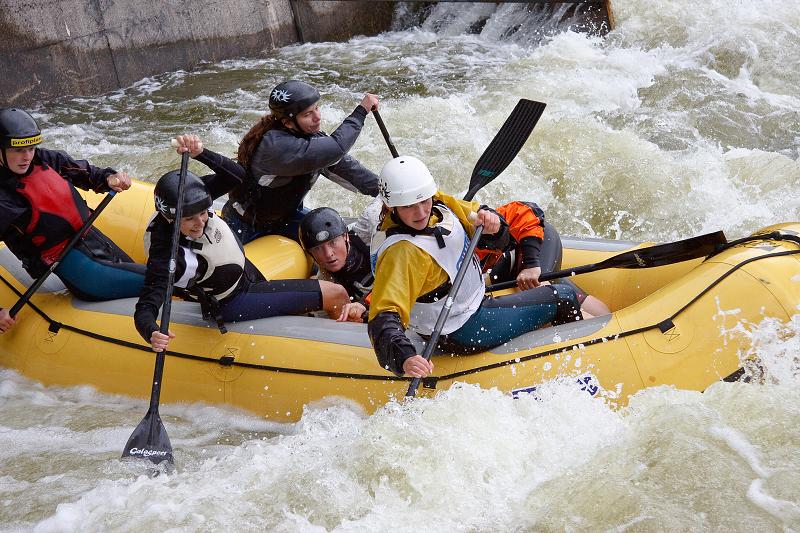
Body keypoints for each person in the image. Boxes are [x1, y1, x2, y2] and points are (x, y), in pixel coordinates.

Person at [367, 156, 583, 378]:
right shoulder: (402, 253)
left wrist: (493, 224)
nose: (421, 212)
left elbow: (476, 219)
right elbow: (384, 315)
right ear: (390, 206)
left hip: (470, 300)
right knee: (564, 297)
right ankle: (580, 365)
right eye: (410, 206)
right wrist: (405, 358)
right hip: (461, 329)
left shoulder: (438, 205)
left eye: (423, 201)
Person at [134, 135, 349, 352]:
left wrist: (202, 153)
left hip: (247, 271)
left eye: (203, 213)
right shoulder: (166, 254)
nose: (200, 223)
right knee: (336, 293)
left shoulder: (191, 198)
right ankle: (347, 354)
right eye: (190, 219)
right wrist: (150, 331)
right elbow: (147, 304)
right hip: (234, 300)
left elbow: (237, 176)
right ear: (170, 218)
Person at [0, 107, 145, 334]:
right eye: (17, 150)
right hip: (75, 267)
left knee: (157, 277)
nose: (26, 156)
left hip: (96, 242)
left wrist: (109, 178)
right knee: (160, 281)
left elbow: (85, 172)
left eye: (30, 148)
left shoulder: (45, 160)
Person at [222, 80, 381, 244]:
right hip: (246, 226)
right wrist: (362, 110)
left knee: (334, 239)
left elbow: (349, 170)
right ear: (288, 122)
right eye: (307, 114)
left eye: (317, 108)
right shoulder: (276, 148)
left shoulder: (309, 139)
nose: (317, 117)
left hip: (285, 219)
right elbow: (338, 147)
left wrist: (387, 191)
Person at [477, 200, 611, 316]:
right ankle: (606, 319)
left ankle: (601, 333)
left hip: (534, 239)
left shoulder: (469, 225)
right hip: (513, 266)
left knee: (532, 289)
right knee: (547, 287)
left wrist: (531, 264)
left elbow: (526, 210)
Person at [298, 207, 373, 323]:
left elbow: (400, 277)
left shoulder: (368, 235)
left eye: (332, 242)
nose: (328, 254)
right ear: (310, 254)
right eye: (317, 248)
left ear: (345, 237)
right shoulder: (326, 281)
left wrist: (364, 303)